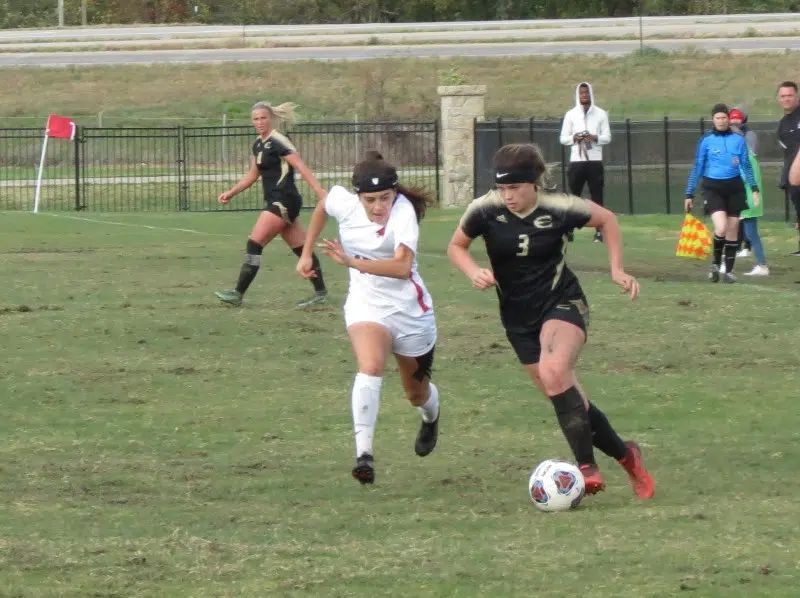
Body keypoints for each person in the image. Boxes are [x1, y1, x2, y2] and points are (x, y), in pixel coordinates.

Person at [447, 142, 654, 500]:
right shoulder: (484, 209)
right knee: (568, 398)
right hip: (516, 317)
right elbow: (456, 246)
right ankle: (627, 456)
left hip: (562, 302)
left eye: (515, 188)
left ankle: (586, 468)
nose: (507, 196)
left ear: (533, 183)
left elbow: (607, 219)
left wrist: (616, 269)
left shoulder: (560, 206)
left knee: (555, 372)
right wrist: (472, 271)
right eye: (502, 188)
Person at [296, 151, 440, 485]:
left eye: (385, 198)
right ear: (358, 196)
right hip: (366, 304)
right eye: (369, 200)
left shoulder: (402, 213)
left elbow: (402, 268)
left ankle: (431, 416)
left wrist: (351, 263)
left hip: (409, 311)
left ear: (396, 193)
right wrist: (306, 253)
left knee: (415, 393)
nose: (378, 207)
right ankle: (364, 455)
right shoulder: (344, 203)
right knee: (371, 366)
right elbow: (322, 206)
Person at [214, 101, 329, 308]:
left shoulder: (278, 140)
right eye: (256, 119)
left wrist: (320, 192)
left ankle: (237, 294)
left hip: (283, 199)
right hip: (278, 200)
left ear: (271, 118)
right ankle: (321, 293)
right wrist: (231, 193)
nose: (260, 122)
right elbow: (252, 175)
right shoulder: (258, 144)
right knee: (301, 249)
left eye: (263, 118)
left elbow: (300, 166)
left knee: (254, 242)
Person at [685, 104, 760, 283]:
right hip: (713, 187)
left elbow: (746, 166)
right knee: (721, 228)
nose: (721, 121)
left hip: (734, 187)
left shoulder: (738, 139)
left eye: (724, 118)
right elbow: (698, 167)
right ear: (713, 120)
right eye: (717, 118)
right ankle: (715, 265)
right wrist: (689, 193)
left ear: (728, 119)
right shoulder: (706, 140)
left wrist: (754, 188)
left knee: (733, 229)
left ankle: (729, 272)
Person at [559, 81, 611, 243]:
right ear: (578, 95)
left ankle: (599, 231)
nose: (584, 96)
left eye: (586, 93)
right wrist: (575, 138)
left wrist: (594, 137)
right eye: (581, 93)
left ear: (590, 94)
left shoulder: (601, 114)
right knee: (574, 197)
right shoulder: (571, 114)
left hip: (595, 161)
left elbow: (607, 137)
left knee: (597, 196)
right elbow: (563, 138)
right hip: (577, 161)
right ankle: (569, 230)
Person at [728, 107, 769, 276]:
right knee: (747, 232)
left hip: (748, 201)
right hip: (749, 201)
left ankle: (762, 265)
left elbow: (744, 178)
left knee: (750, 233)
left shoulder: (746, 159)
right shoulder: (749, 158)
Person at [777, 81, 800, 256]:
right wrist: (786, 177)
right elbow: (788, 155)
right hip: (795, 179)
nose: (786, 99)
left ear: (796, 96)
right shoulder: (782, 125)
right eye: (783, 96)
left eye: (789, 95)